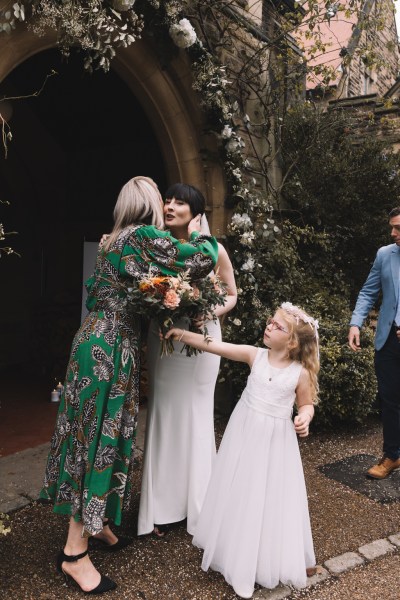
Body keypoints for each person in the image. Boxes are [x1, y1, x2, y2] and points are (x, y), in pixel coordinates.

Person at [39, 176, 219, 594]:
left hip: (94, 338)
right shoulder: (141, 236)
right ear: (148, 205)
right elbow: (196, 260)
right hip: (110, 346)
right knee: (98, 441)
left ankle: (94, 523)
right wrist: (202, 235)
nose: (166, 206)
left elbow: (96, 292)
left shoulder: (113, 239)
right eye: (161, 199)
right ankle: (74, 554)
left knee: (94, 436)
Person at [165, 301, 318, 599]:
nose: (269, 326)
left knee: (267, 495)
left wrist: (304, 418)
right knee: (241, 488)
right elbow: (215, 346)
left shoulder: (299, 374)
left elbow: (307, 403)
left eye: (278, 326)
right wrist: (182, 334)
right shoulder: (255, 355)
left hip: (275, 443)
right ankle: (232, 548)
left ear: (293, 341)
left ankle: (262, 557)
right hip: (244, 434)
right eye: (270, 322)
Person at [138, 183, 237, 538]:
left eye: (180, 202)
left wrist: (207, 309)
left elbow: (231, 293)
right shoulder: (154, 245)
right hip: (164, 337)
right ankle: (161, 507)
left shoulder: (213, 250)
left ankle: (199, 503)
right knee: (164, 412)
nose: (170, 206)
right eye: (168, 200)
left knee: (196, 413)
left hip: (201, 341)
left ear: (196, 213)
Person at [348, 207, 400, 479]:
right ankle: (392, 455)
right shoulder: (384, 254)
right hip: (388, 340)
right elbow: (368, 291)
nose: (393, 233)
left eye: (399, 228)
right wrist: (355, 323)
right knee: (390, 401)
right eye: (392, 227)